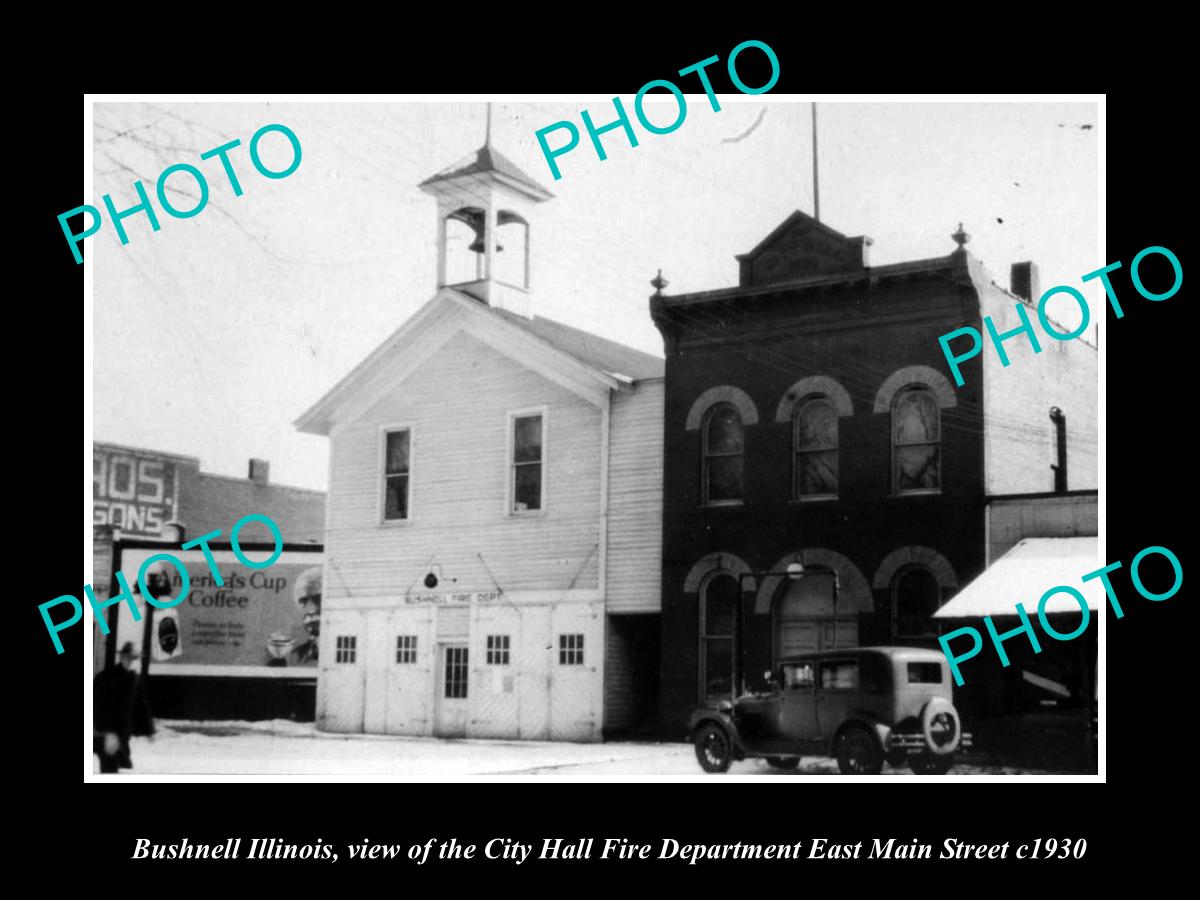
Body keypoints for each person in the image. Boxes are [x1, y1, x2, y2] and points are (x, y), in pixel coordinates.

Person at [93, 642, 156, 773]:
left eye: (135, 659)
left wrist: (149, 730)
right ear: (122, 657)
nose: (132, 662)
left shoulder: (134, 679)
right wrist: (106, 732)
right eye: (130, 658)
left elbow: (142, 706)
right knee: (110, 767)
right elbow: (97, 706)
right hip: (106, 734)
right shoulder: (106, 678)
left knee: (117, 766)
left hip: (122, 735)